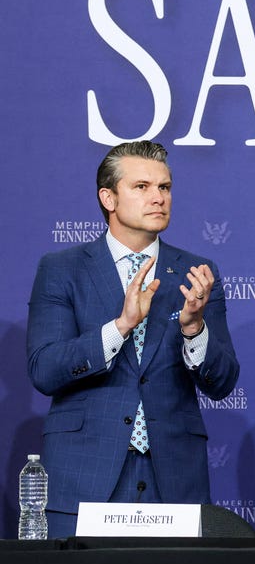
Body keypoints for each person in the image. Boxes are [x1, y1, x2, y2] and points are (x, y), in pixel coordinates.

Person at [26, 141, 240, 537]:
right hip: (84, 476)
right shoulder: (62, 269)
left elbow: (223, 382)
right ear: (108, 197)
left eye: (165, 187)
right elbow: (45, 369)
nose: (158, 198)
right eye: (141, 187)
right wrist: (120, 327)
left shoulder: (198, 273)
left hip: (173, 480)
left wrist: (194, 329)